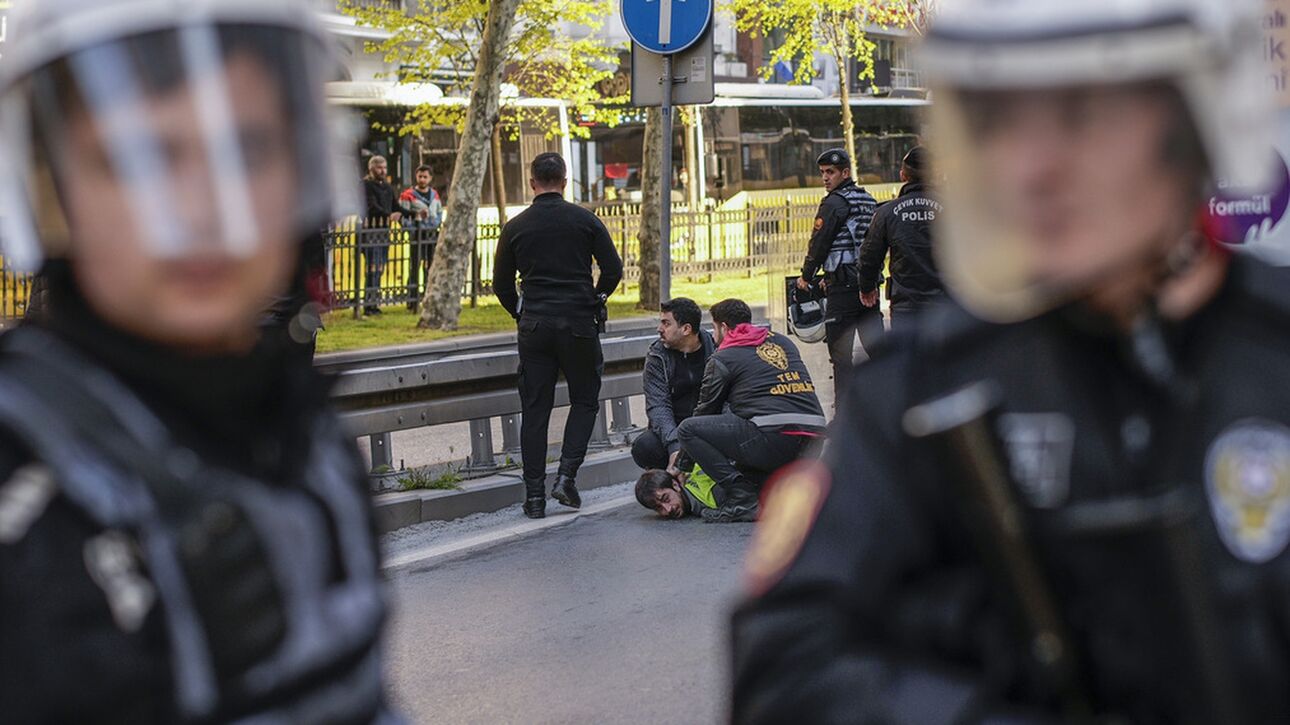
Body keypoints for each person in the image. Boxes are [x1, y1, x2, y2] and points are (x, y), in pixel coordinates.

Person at [730, 0, 1290, 722]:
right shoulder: (926, 385)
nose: (1032, 167)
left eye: (1082, 115)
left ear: (1193, 124)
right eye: (998, 121)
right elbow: (786, 665)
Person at [0, 1, 398, 721]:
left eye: (246, 151)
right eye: (137, 158)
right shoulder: (21, 484)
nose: (201, 209)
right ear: (51, 184)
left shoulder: (303, 435)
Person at [493, 152, 624, 519]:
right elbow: (612, 269)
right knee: (584, 400)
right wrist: (596, 297)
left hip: (535, 326)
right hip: (579, 323)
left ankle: (534, 497)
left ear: (531, 182)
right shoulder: (585, 220)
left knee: (535, 409)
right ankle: (566, 477)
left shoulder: (515, 227)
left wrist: (521, 312)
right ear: (565, 182)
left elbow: (501, 284)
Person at [671, 299, 825, 523]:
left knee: (688, 429)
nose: (713, 335)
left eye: (714, 328)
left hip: (774, 439)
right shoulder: (783, 341)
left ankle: (742, 500)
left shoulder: (723, 358)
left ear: (724, 327)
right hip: (814, 439)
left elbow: (705, 411)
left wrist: (682, 465)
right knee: (749, 465)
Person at [796, 148, 880, 400]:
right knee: (877, 351)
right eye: (822, 172)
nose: (825, 178)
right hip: (868, 286)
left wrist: (806, 276)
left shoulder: (834, 202)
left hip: (843, 288)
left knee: (841, 355)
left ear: (845, 173)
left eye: (830, 172)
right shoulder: (867, 199)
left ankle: (844, 413)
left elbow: (819, 243)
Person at [858, 146, 945, 329]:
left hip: (906, 306)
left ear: (902, 175)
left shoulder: (886, 213)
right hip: (946, 306)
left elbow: (869, 256)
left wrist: (867, 287)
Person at [633, 297, 717, 471]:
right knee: (645, 447)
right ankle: (669, 480)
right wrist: (674, 447)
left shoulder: (715, 351)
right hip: (673, 429)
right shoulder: (657, 356)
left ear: (686, 329)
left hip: (708, 428)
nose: (659, 329)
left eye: (666, 323)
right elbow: (658, 405)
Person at [399, 165, 443, 310]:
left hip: (431, 233)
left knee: (430, 266)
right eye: (420, 176)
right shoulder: (407, 195)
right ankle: (412, 299)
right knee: (415, 265)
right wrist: (414, 226)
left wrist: (434, 223)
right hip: (417, 234)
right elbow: (403, 216)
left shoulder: (434, 195)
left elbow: (439, 212)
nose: (422, 179)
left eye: (425, 177)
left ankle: (428, 296)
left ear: (430, 178)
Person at [362, 155, 401, 315]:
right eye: (379, 168)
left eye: (384, 167)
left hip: (384, 232)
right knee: (372, 268)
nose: (383, 171)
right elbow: (371, 206)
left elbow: (395, 206)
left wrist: (413, 214)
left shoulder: (387, 187)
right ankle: (368, 305)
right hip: (370, 231)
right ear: (371, 169)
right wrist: (388, 215)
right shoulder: (366, 185)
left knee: (380, 268)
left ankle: (374, 302)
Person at [634, 468, 721, 519]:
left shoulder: (710, 490)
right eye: (659, 508)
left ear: (675, 485)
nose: (668, 509)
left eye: (666, 499)